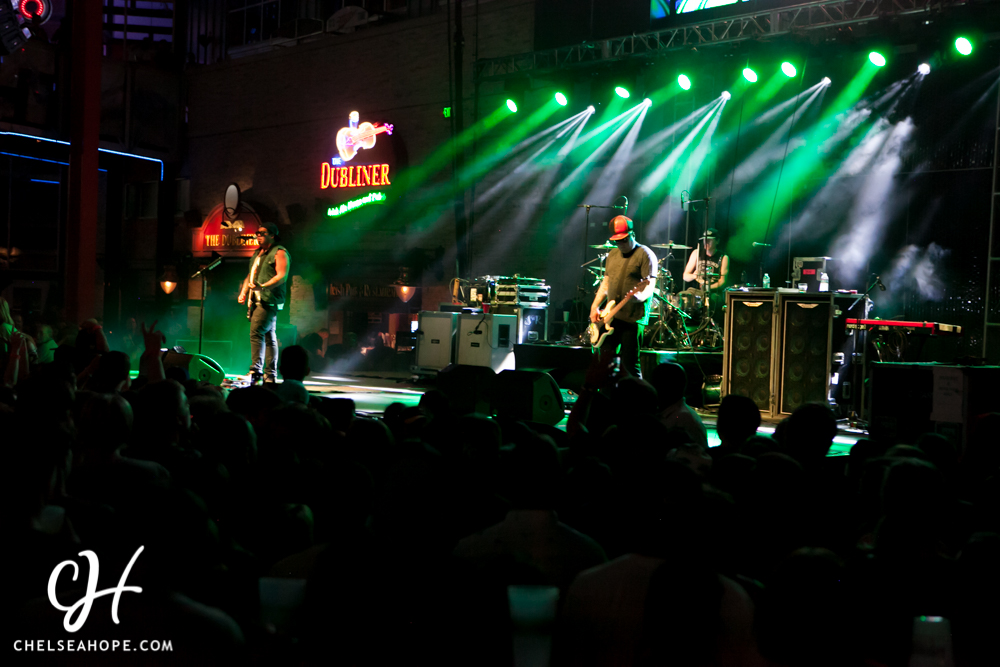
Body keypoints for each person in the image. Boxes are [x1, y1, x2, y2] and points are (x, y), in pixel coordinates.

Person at [589, 215, 657, 377]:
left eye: (624, 240)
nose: (621, 244)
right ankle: (609, 392)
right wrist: (595, 305)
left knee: (630, 365)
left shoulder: (645, 254)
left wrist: (638, 297)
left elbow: (650, 286)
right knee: (606, 362)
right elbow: (606, 283)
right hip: (611, 317)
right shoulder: (612, 255)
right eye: (617, 241)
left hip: (633, 319)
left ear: (633, 234)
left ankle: (636, 393)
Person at [238, 222, 290, 384]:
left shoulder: (279, 252)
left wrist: (263, 287)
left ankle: (256, 371)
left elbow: (282, 276)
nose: (258, 236)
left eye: (262, 233)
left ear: (272, 235)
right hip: (256, 300)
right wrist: (244, 291)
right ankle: (270, 374)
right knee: (269, 337)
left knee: (256, 333)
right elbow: (251, 274)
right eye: (257, 233)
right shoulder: (258, 253)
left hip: (269, 300)